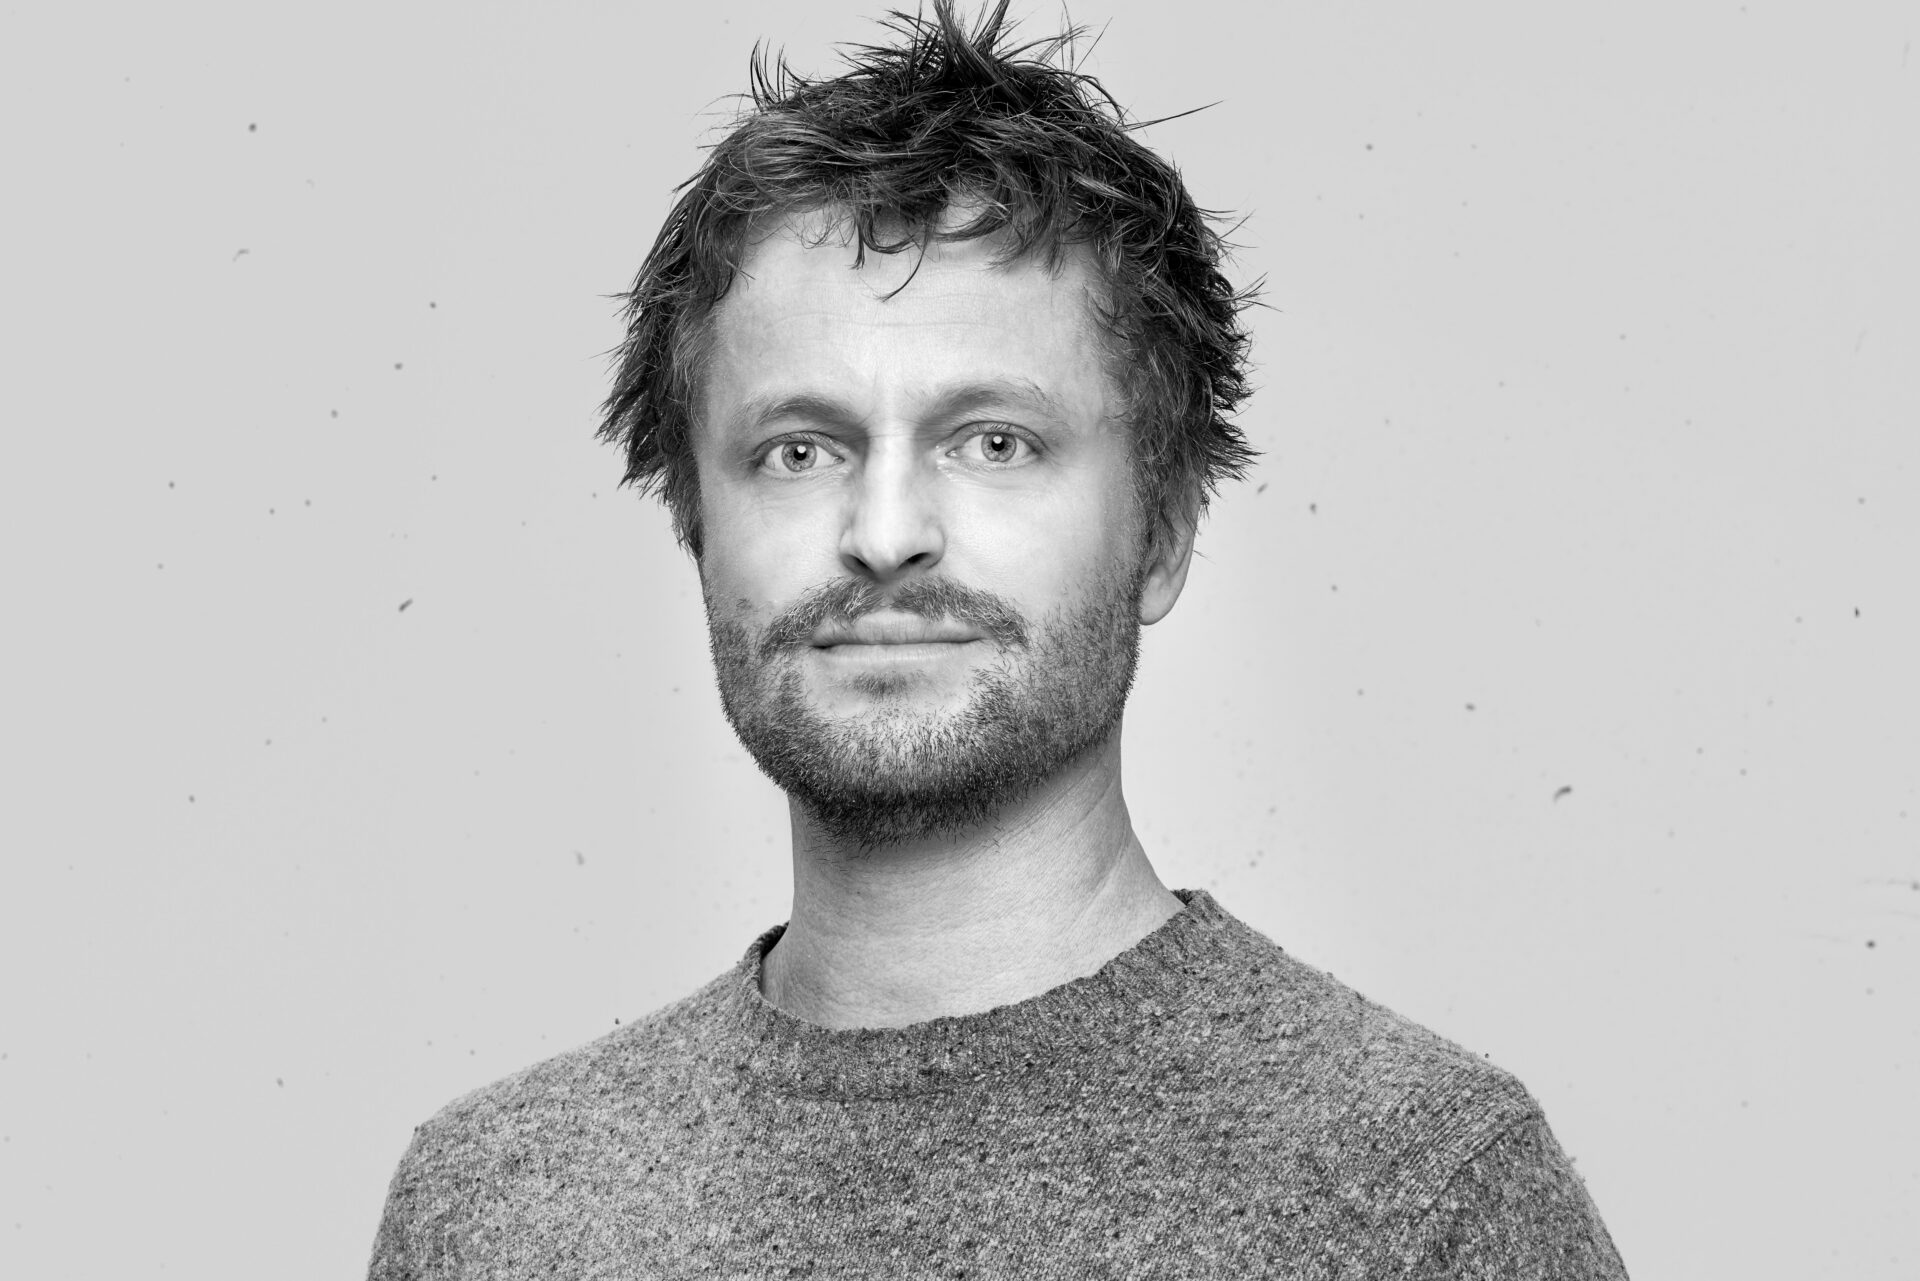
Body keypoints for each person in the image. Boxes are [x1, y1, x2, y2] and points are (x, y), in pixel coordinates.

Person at [368, 3, 1628, 1276]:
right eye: (798, 451)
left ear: (1164, 534)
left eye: (994, 442)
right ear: (697, 524)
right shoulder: (496, 1211)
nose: (885, 533)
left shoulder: (1416, 1194)